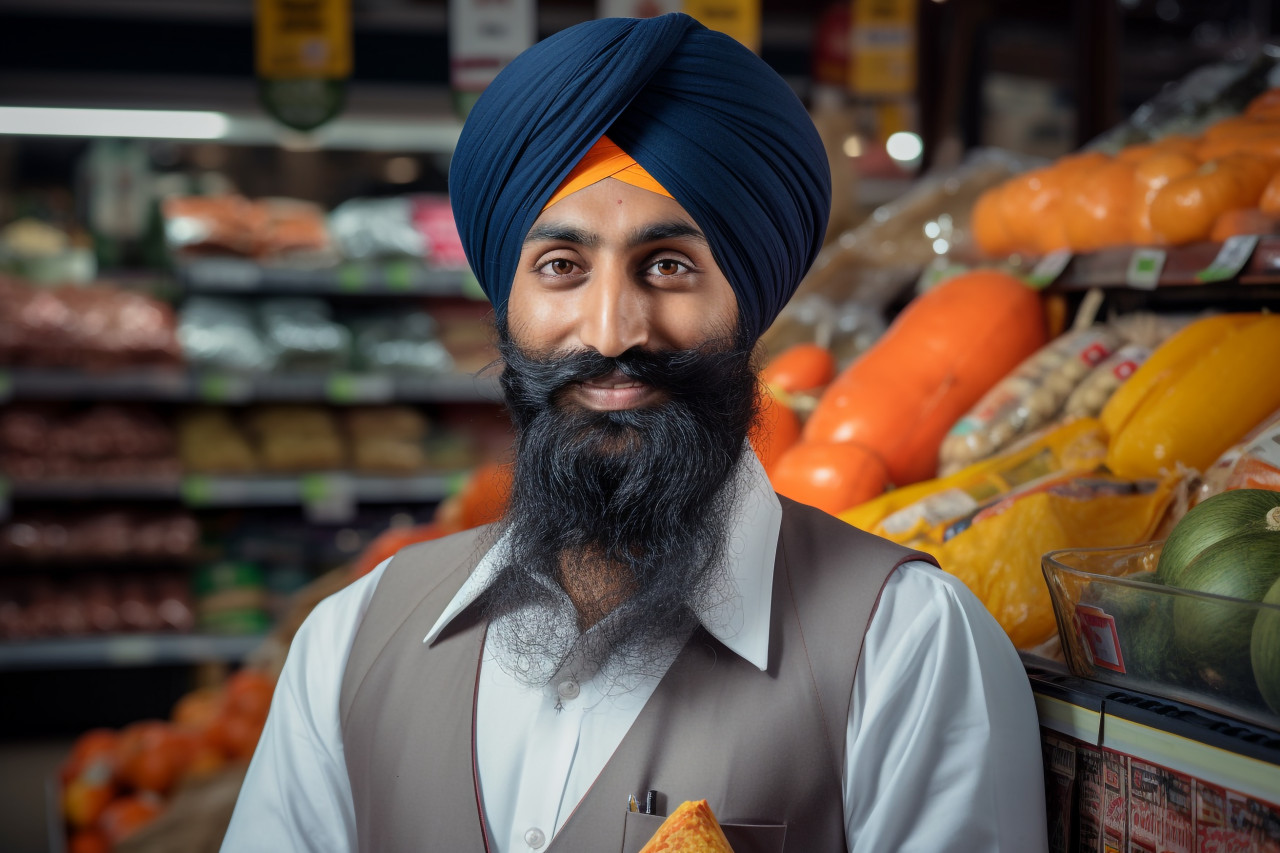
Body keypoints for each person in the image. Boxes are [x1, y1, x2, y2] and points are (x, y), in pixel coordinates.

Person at [222, 13, 1048, 852]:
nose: (613, 329)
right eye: (561, 267)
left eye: (668, 266)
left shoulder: (908, 647)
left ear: (750, 307)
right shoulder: (348, 644)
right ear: (506, 305)